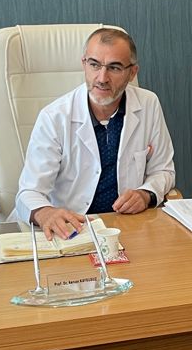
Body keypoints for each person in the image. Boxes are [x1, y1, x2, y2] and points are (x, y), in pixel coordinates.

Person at [14, 27, 175, 240]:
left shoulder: (148, 104)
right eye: (94, 65)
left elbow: (164, 170)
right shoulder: (54, 117)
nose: (102, 78)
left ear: (132, 72)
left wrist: (146, 194)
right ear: (84, 64)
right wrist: (46, 213)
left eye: (114, 67)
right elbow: (29, 192)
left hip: (128, 228)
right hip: (70, 231)